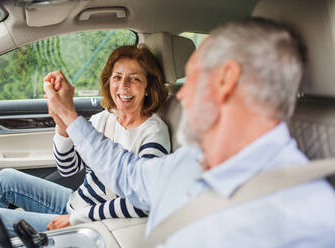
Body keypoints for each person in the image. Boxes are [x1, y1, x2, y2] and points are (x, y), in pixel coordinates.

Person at [43, 17, 335, 247]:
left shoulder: (310, 220)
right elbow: (124, 172)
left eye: (193, 78)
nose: (181, 97)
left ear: (226, 79)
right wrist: (67, 116)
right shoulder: (186, 163)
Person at [0, 45, 171, 237]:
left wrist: (75, 218)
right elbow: (68, 169)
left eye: (134, 79)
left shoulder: (153, 133)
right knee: (6, 179)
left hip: (97, 224)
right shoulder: (104, 118)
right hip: (75, 203)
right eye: (117, 77)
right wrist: (62, 128)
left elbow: (143, 200)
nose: (123, 85)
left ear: (148, 88)